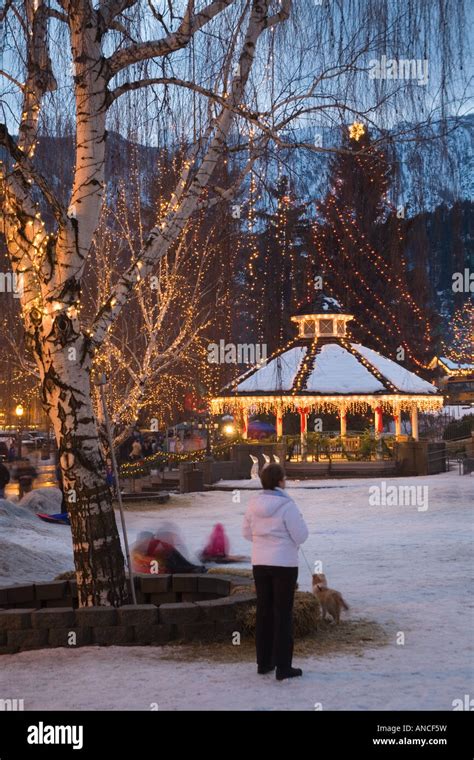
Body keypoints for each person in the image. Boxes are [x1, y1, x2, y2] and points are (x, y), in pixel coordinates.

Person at [242, 462, 308, 681]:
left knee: (264, 612)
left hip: (260, 563)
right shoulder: (288, 506)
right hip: (284, 564)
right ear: (281, 481)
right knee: (283, 614)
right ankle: (283, 666)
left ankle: (264, 662)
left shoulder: (253, 504)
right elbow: (301, 536)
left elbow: (246, 532)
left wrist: (263, 542)